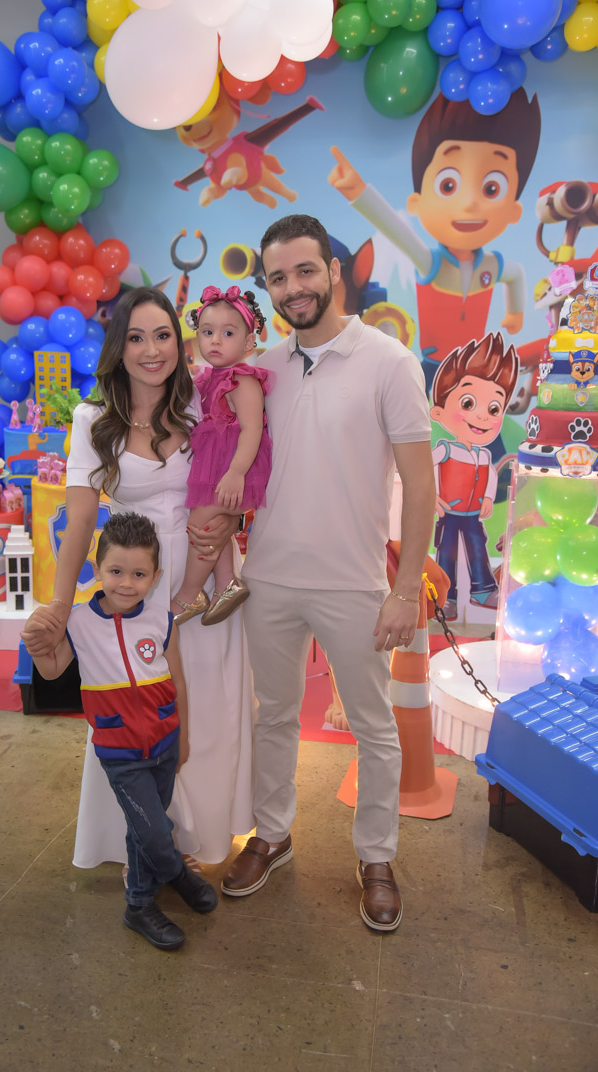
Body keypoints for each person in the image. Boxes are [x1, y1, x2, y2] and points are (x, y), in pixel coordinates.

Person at [221, 215, 435, 933]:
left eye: (305, 271)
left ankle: (376, 857)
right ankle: (271, 835)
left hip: (354, 583)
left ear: (334, 271)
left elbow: (421, 484)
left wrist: (404, 589)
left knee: (374, 728)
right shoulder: (263, 368)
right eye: (278, 278)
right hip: (269, 577)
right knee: (273, 716)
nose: (293, 288)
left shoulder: (388, 361)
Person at [22, 286, 254, 875]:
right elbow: (79, 521)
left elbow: (244, 471)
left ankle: (201, 835)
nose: (152, 350)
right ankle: (147, 838)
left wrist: (231, 521)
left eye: (163, 335)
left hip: (206, 577)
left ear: (180, 341)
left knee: (208, 702)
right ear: (117, 347)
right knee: (139, 706)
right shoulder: (93, 419)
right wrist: (59, 604)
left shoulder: (205, 400)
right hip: (135, 582)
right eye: (136, 337)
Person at [26, 512, 218, 950]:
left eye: (138, 574)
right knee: (153, 831)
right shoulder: (78, 622)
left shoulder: (161, 621)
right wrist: (37, 647)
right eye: (116, 571)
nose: (126, 584)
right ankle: (177, 875)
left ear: (155, 577)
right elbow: (52, 670)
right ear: (97, 570)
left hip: (165, 745)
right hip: (120, 753)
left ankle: (139, 904)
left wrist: (183, 738)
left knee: (140, 830)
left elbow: (178, 681)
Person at [328, 88, 541, 392]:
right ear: (416, 202)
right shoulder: (432, 264)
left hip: (473, 365)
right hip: (434, 366)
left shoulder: (492, 266)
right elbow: (396, 231)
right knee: (422, 413)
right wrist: (358, 193)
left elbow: (516, 274)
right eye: (448, 185)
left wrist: (514, 313)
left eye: (491, 189)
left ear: (514, 210)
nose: (470, 204)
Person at [171, 284, 273, 626]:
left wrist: (236, 472)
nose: (215, 341)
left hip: (232, 469)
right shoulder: (211, 378)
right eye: (207, 332)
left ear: (248, 342)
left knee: (201, 525)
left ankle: (189, 595)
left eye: (228, 333)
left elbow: (253, 429)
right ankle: (227, 581)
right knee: (214, 527)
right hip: (216, 466)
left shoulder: (242, 380)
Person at [430, 332, 519, 621]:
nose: (482, 416)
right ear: (438, 412)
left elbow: (490, 477)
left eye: (494, 409)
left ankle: (483, 589)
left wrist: (489, 498)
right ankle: (447, 597)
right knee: (447, 552)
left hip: (472, 515)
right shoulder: (445, 449)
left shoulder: (483, 456)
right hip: (449, 512)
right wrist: (431, 495)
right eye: (468, 403)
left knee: (477, 548)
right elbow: (424, 468)